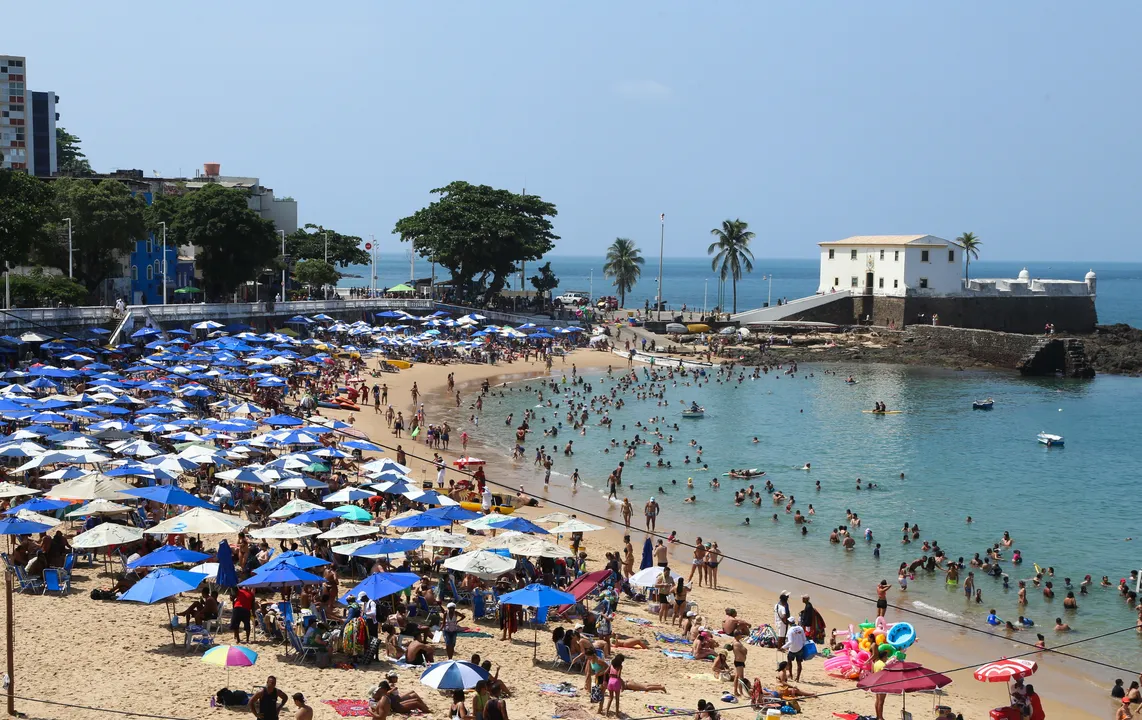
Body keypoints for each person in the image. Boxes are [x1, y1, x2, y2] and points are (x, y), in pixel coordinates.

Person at [782, 617, 807, 682]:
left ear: (789, 623)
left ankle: (791, 675)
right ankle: (797, 678)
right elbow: (804, 639)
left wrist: (783, 647)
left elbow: (790, 642)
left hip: (792, 649)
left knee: (789, 662)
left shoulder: (790, 630)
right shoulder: (800, 628)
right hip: (800, 648)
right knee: (799, 663)